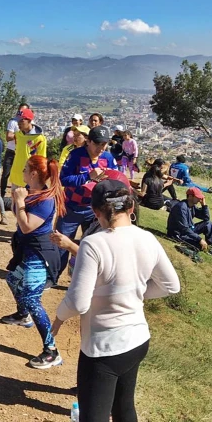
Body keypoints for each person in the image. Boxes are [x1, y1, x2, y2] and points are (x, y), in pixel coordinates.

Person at [52, 179, 180, 421]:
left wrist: (58, 318)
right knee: (124, 408)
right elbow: (171, 286)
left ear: (95, 211)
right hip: (137, 339)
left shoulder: (93, 243)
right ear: (131, 208)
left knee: (94, 415)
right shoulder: (147, 238)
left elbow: (79, 302)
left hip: (103, 347)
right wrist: (134, 293)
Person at [2, 155, 66, 369]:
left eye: (25, 169)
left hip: (40, 255)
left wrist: (19, 202)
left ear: (34, 173)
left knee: (32, 299)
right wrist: (18, 200)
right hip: (27, 252)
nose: (22, 173)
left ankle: (51, 351)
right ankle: (22, 315)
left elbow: (28, 225)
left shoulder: (46, 200)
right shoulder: (34, 193)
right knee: (12, 278)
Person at [56, 126, 117, 277]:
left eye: (105, 144)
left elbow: (117, 181)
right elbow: (63, 179)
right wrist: (87, 176)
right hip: (71, 207)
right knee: (61, 244)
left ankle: (83, 278)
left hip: (95, 210)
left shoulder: (108, 158)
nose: (101, 148)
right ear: (88, 141)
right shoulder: (76, 155)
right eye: (98, 144)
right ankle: (53, 276)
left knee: (92, 247)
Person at [9, 108, 47, 190]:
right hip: (16, 176)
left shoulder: (40, 138)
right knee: (14, 202)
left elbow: (42, 160)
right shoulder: (17, 135)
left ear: (29, 120)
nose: (18, 123)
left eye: (21, 121)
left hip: (30, 179)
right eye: (17, 121)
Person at [167, 187, 211, 252]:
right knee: (198, 246)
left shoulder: (192, 206)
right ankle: (204, 246)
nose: (200, 199)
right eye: (198, 197)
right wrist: (200, 239)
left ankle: (210, 245)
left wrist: (204, 206)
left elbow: (206, 218)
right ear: (190, 196)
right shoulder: (181, 208)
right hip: (179, 234)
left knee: (208, 223)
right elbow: (184, 228)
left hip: (188, 230)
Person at [1, 103, 30, 198]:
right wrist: (19, 135)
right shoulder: (13, 122)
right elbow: (8, 137)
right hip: (11, 150)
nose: (21, 114)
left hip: (22, 152)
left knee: (24, 173)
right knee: (6, 173)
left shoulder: (30, 124)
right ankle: (2, 194)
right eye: (20, 111)